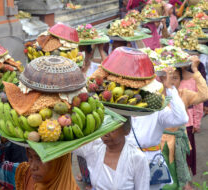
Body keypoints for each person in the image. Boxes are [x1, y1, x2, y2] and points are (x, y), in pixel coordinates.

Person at [127, 59, 190, 190]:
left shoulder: (156, 108)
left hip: (150, 163)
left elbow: (182, 118)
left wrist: (169, 88)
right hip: (126, 163)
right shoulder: (120, 106)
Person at [161, 56, 208, 190]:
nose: (171, 81)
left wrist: (194, 70)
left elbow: (204, 95)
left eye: (175, 78)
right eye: (168, 77)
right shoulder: (156, 96)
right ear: (162, 78)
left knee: (180, 177)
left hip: (180, 142)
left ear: (181, 80)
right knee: (163, 179)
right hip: (160, 143)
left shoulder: (184, 94)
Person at [74, 118, 150, 190]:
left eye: (112, 129)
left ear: (126, 130)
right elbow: (70, 145)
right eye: (104, 127)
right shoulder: (94, 148)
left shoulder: (137, 158)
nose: (106, 134)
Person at [0, 136, 79, 190]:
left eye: (40, 158)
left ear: (59, 161)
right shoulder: (23, 175)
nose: (32, 166)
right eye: (30, 157)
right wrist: (3, 139)